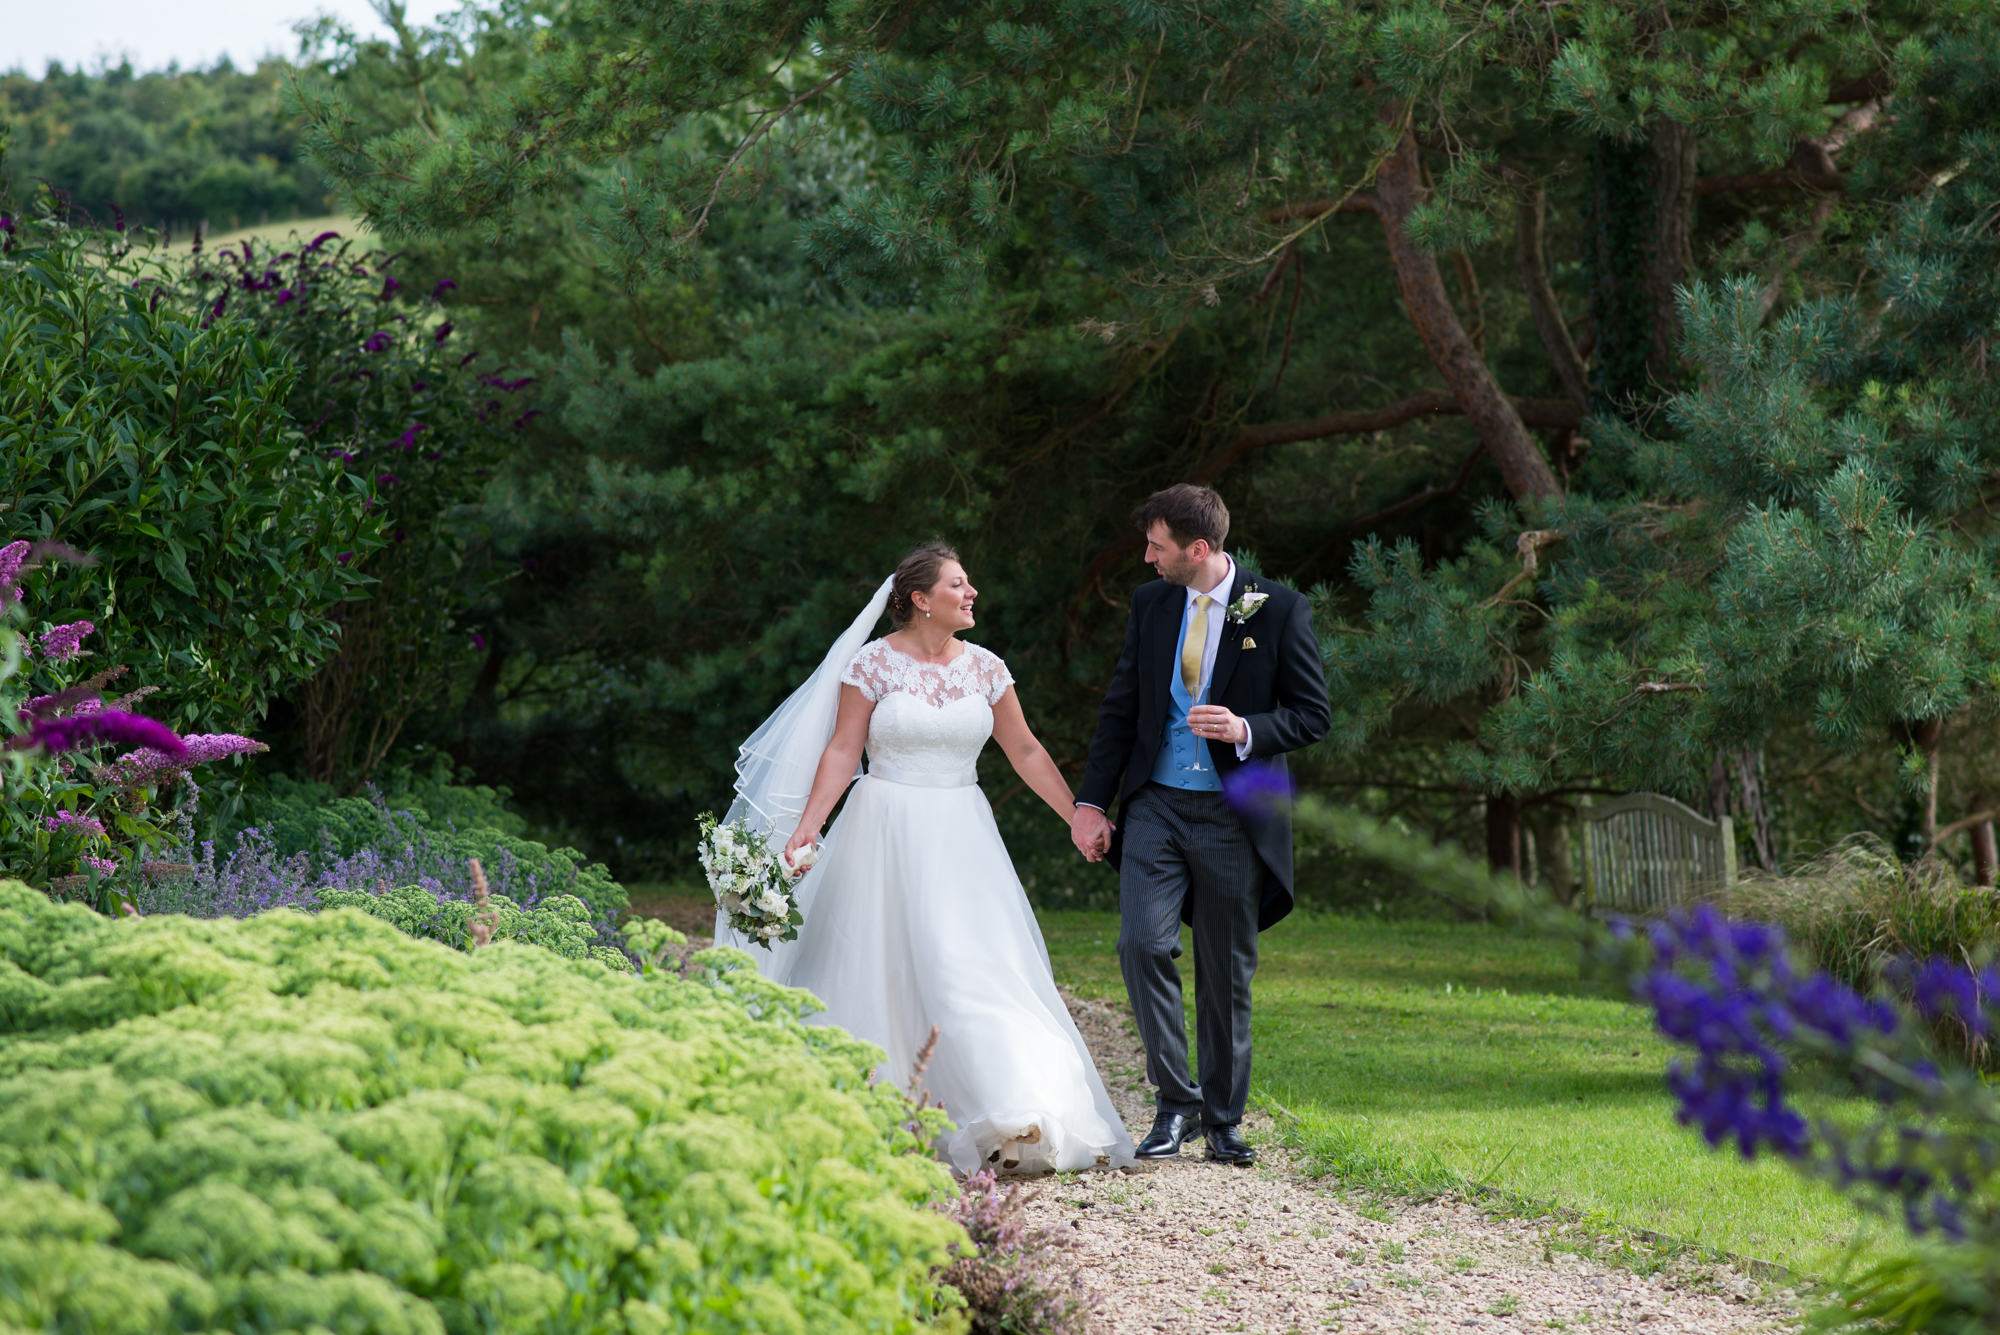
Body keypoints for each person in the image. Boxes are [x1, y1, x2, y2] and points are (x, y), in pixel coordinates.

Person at [716, 543, 1136, 1174]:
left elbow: (1022, 750)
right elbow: (842, 750)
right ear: (920, 599)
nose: (971, 594)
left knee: (978, 965)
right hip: (881, 828)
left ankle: (1010, 1105)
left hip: (961, 833)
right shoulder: (873, 666)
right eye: (958, 584)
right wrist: (808, 827)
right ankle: (873, 1102)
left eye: (969, 584)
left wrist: (1077, 814)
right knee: (878, 965)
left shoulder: (987, 669)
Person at [1072, 484, 1332, 1165]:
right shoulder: (1151, 603)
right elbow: (1121, 706)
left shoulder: (1278, 609)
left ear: (1198, 549)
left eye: (1157, 546)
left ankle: (1222, 1119)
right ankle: (1174, 1104)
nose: (1148, 558)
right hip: (1155, 801)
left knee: (1226, 970)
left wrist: (1248, 727)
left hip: (1232, 812)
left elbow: (1312, 713)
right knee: (1142, 943)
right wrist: (1090, 801)